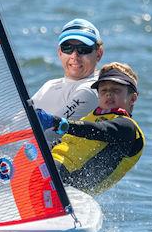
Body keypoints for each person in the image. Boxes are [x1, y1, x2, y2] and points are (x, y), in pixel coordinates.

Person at [36, 62, 145, 194]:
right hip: (53, 167)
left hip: (70, 184)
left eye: (116, 90)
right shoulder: (90, 117)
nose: (108, 94)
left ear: (132, 98)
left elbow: (99, 130)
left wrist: (59, 123)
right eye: (104, 90)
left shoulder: (128, 127)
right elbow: (66, 143)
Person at [31, 18, 104, 131]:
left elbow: (52, 132)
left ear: (99, 54)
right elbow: (18, 121)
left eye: (83, 49)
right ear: (60, 52)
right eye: (67, 48)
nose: (74, 56)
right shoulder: (49, 85)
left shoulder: (92, 90)